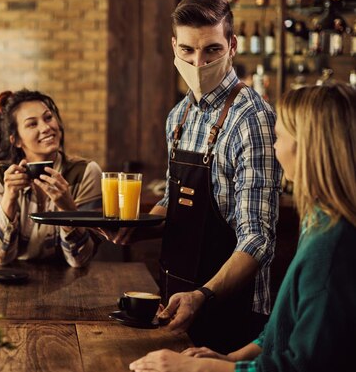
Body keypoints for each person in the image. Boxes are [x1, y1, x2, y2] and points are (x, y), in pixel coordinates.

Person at [129, 82, 356, 372]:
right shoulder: (318, 222)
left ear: (308, 146)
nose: (273, 147)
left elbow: (304, 366)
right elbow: (283, 325)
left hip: (234, 313)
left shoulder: (332, 247)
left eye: (279, 137)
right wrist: (232, 359)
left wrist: (196, 369)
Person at [101, 0, 282, 352]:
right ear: (174, 46)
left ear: (231, 45)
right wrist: (134, 229)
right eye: (187, 50)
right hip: (176, 297)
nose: (198, 62)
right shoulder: (179, 116)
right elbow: (178, 204)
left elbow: (258, 238)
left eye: (211, 50)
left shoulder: (251, 118)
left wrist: (203, 295)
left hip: (230, 309)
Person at [0, 89, 102, 267]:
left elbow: (80, 260)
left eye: (48, 117)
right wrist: (9, 198)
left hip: (70, 281)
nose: (46, 128)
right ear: (16, 140)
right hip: (10, 278)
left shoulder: (86, 172)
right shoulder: (1, 175)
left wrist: (67, 209)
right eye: (32, 124)